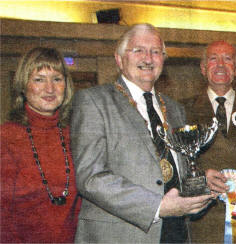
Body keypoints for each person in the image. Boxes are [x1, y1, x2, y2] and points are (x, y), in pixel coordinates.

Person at [70, 23, 214, 243]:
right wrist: (158, 207)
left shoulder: (175, 108)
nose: (148, 58)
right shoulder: (93, 101)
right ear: (119, 59)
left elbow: (173, 172)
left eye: (156, 52)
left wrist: (201, 180)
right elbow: (90, 177)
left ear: (163, 61)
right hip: (122, 236)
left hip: (175, 232)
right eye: (138, 50)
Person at [181, 40, 236, 243]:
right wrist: (199, 179)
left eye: (227, 59)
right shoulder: (182, 110)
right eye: (213, 59)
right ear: (203, 69)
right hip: (201, 220)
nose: (220, 65)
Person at [1, 47, 80, 242]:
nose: (50, 89)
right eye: (39, 79)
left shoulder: (77, 135)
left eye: (57, 79)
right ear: (23, 85)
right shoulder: (6, 137)